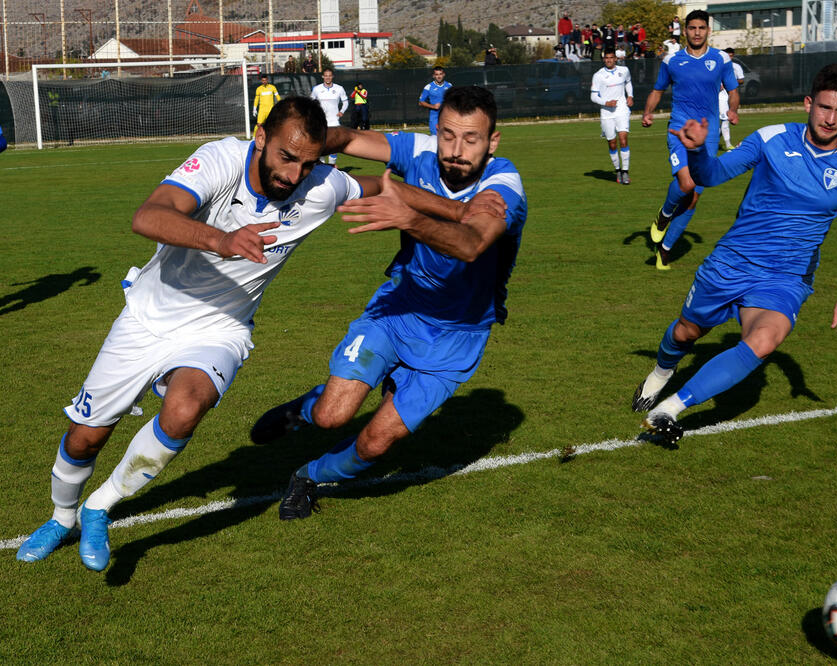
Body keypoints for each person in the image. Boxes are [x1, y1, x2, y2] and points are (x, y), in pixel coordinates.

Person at [15, 97, 366, 570]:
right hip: (148, 317)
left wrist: (457, 199)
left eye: (307, 163)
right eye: (286, 157)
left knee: (183, 411)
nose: (294, 175)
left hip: (220, 328)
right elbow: (148, 216)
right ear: (261, 138)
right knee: (85, 439)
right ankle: (61, 517)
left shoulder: (321, 185)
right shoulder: (221, 159)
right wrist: (221, 241)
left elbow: (381, 187)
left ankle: (99, 507)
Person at [250, 86, 528, 520]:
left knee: (374, 443)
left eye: (470, 139)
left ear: (492, 142)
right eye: (448, 135)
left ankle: (306, 476)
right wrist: (304, 152)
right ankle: (304, 409)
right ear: (436, 129)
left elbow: (473, 243)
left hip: (457, 337)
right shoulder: (419, 150)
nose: (455, 150)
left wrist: (411, 216)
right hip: (398, 311)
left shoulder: (503, 186)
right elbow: (344, 139)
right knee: (331, 417)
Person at [632, 64, 837, 445]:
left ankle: (669, 410)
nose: (831, 119)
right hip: (732, 262)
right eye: (824, 107)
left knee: (765, 340)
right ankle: (663, 371)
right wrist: (695, 153)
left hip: (786, 278)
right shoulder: (771, 138)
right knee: (687, 332)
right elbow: (711, 176)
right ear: (808, 103)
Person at [642, 10, 739, 271]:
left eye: (702, 28)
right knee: (685, 183)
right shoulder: (671, 59)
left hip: (707, 135)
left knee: (694, 197)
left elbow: (733, 90)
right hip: (679, 129)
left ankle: (665, 248)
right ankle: (663, 216)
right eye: (692, 28)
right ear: (685, 31)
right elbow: (657, 90)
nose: (697, 32)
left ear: (708, 31)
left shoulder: (720, 59)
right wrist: (648, 112)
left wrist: (733, 109)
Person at [591, 49, 634, 184]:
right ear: (604, 59)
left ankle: (625, 172)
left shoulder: (624, 70)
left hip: (621, 109)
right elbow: (593, 96)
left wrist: (630, 96)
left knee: (623, 139)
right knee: (612, 143)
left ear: (616, 58)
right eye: (606, 58)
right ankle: (618, 171)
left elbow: (628, 82)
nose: (609, 60)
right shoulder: (598, 75)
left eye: (611, 58)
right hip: (606, 113)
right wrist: (606, 102)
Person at [310, 68, 350, 167]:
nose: (328, 77)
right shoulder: (317, 89)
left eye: (330, 75)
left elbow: (345, 101)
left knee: (333, 144)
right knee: (321, 145)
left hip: (334, 121)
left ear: (332, 76)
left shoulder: (339, 88)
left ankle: (332, 166)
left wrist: (342, 111)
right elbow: (311, 102)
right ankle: (322, 167)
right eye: (326, 75)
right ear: (323, 76)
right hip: (321, 121)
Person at [719, 48, 745, 150]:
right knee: (717, 121)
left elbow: (741, 80)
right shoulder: (718, 66)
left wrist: (729, 84)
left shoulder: (735, 66)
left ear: (733, 56)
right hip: (715, 95)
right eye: (727, 55)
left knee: (725, 119)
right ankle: (723, 143)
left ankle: (727, 144)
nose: (728, 57)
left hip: (727, 95)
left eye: (730, 55)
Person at [418, 66, 452, 135]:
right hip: (434, 117)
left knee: (448, 137)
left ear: (444, 74)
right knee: (435, 138)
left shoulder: (449, 85)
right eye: (436, 74)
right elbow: (420, 102)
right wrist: (433, 106)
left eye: (440, 74)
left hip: (447, 116)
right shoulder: (428, 87)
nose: (439, 76)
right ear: (433, 76)